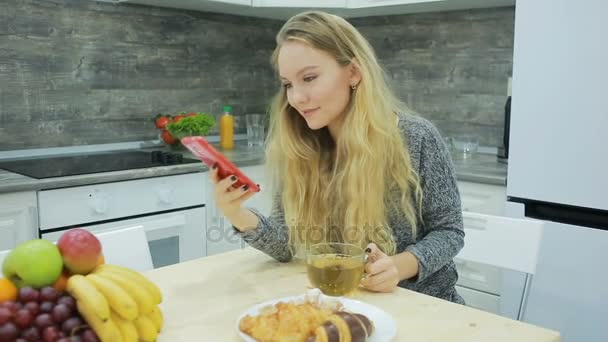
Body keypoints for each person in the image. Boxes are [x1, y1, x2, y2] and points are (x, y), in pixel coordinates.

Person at [210, 11, 465, 304]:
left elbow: (449, 232)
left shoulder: (415, 137)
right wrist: (237, 214)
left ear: (353, 73)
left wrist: (397, 266)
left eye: (309, 78)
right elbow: (286, 245)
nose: (296, 97)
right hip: (344, 304)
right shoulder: (300, 146)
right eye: (288, 84)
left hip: (423, 308)